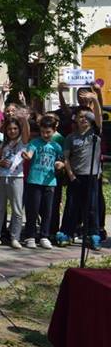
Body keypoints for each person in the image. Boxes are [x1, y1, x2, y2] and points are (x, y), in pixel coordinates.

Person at [59, 97, 103, 247]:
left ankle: (93, 234)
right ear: (75, 120)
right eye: (80, 117)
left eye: (87, 117)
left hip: (92, 176)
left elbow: (98, 117)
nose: (83, 119)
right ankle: (66, 232)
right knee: (71, 206)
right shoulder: (71, 138)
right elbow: (66, 158)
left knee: (92, 207)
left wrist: (95, 100)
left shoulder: (95, 133)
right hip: (76, 176)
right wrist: (71, 175)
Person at [22, 114, 62, 249]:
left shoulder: (56, 146)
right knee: (32, 209)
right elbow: (29, 154)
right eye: (43, 132)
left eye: (48, 132)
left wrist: (60, 165)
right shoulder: (34, 143)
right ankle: (30, 236)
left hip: (50, 182)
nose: (45, 135)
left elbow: (61, 161)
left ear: (54, 130)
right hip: (34, 181)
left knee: (47, 211)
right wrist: (27, 156)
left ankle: (44, 235)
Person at [0, 112, 30, 248]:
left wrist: (24, 119)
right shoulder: (3, 144)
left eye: (15, 128)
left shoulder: (22, 142)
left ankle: (15, 237)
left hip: (16, 178)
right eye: (9, 129)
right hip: (1, 177)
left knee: (17, 209)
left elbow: (26, 132)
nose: (12, 131)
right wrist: (1, 162)